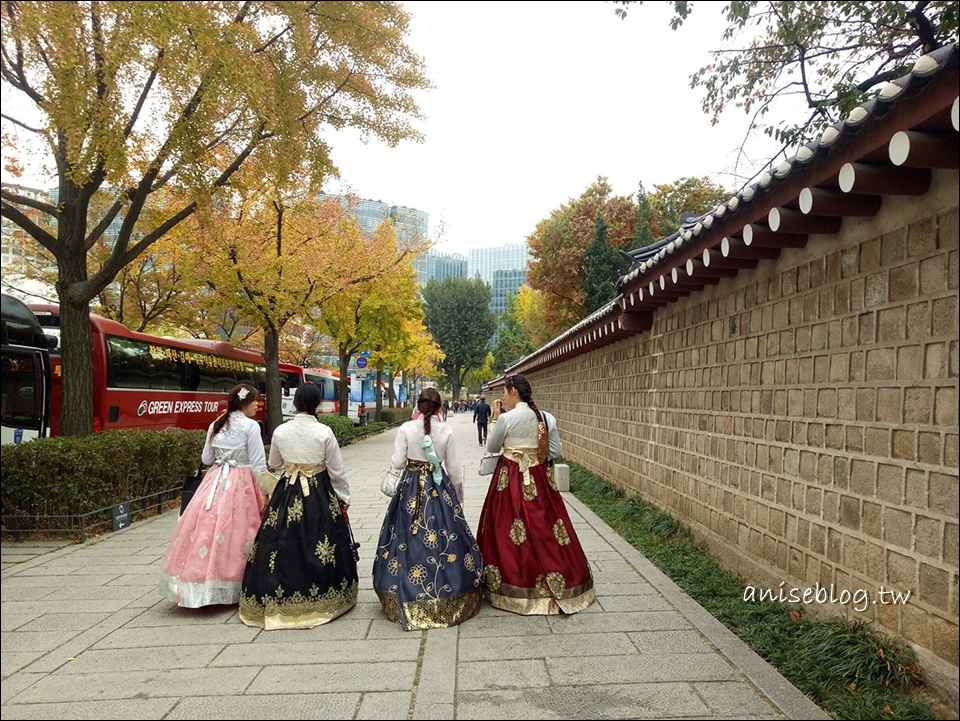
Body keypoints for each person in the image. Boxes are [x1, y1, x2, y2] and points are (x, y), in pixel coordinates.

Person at [239, 383, 358, 629]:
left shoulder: (281, 431)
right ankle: (322, 595)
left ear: (295, 404)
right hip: (319, 492)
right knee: (320, 540)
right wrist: (343, 497)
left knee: (280, 541)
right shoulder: (324, 432)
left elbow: (275, 463)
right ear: (317, 404)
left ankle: (280, 593)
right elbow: (336, 470)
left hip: (288, 490)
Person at [476, 373, 594, 615]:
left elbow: (491, 448)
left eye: (506, 393)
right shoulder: (546, 417)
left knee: (508, 526)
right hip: (539, 479)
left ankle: (515, 581)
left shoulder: (507, 418)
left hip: (510, 480)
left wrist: (496, 420)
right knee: (547, 526)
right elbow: (554, 451)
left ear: (513, 392)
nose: (504, 398)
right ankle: (559, 577)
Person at [372, 388, 483, 630]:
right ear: (440, 407)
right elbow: (453, 467)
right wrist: (457, 498)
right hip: (438, 486)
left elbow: (398, 462)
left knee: (405, 533)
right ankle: (448, 585)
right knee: (443, 533)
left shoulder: (405, 429)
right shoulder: (447, 431)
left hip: (410, 487)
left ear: (418, 406)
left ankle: (403, 587)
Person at [159, 383, 266, 607]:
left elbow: (207, 458)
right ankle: (236, 581)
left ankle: (196, 581)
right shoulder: (251, 426)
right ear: (244, 403)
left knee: (206, 528)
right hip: (241, 480)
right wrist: (266, 491)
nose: (257, 404)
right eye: (255, 400)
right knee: (239, 529)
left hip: (215, 480)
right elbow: (258, 465)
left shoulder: (216, 423)